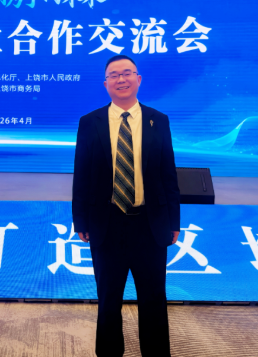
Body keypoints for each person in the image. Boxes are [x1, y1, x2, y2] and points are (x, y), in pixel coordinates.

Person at [72, 54, 180, 357]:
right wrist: (81, 220)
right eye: (114, 75)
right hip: (107, 223)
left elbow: (168, 174)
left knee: (153, 299)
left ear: (138, 79)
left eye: (127, 73)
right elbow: (82, 175)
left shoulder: (158, 120)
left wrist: (174, 221)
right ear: (105, 83)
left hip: (150, 223)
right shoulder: (90, 122)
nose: (121, 79)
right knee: (108, 300)